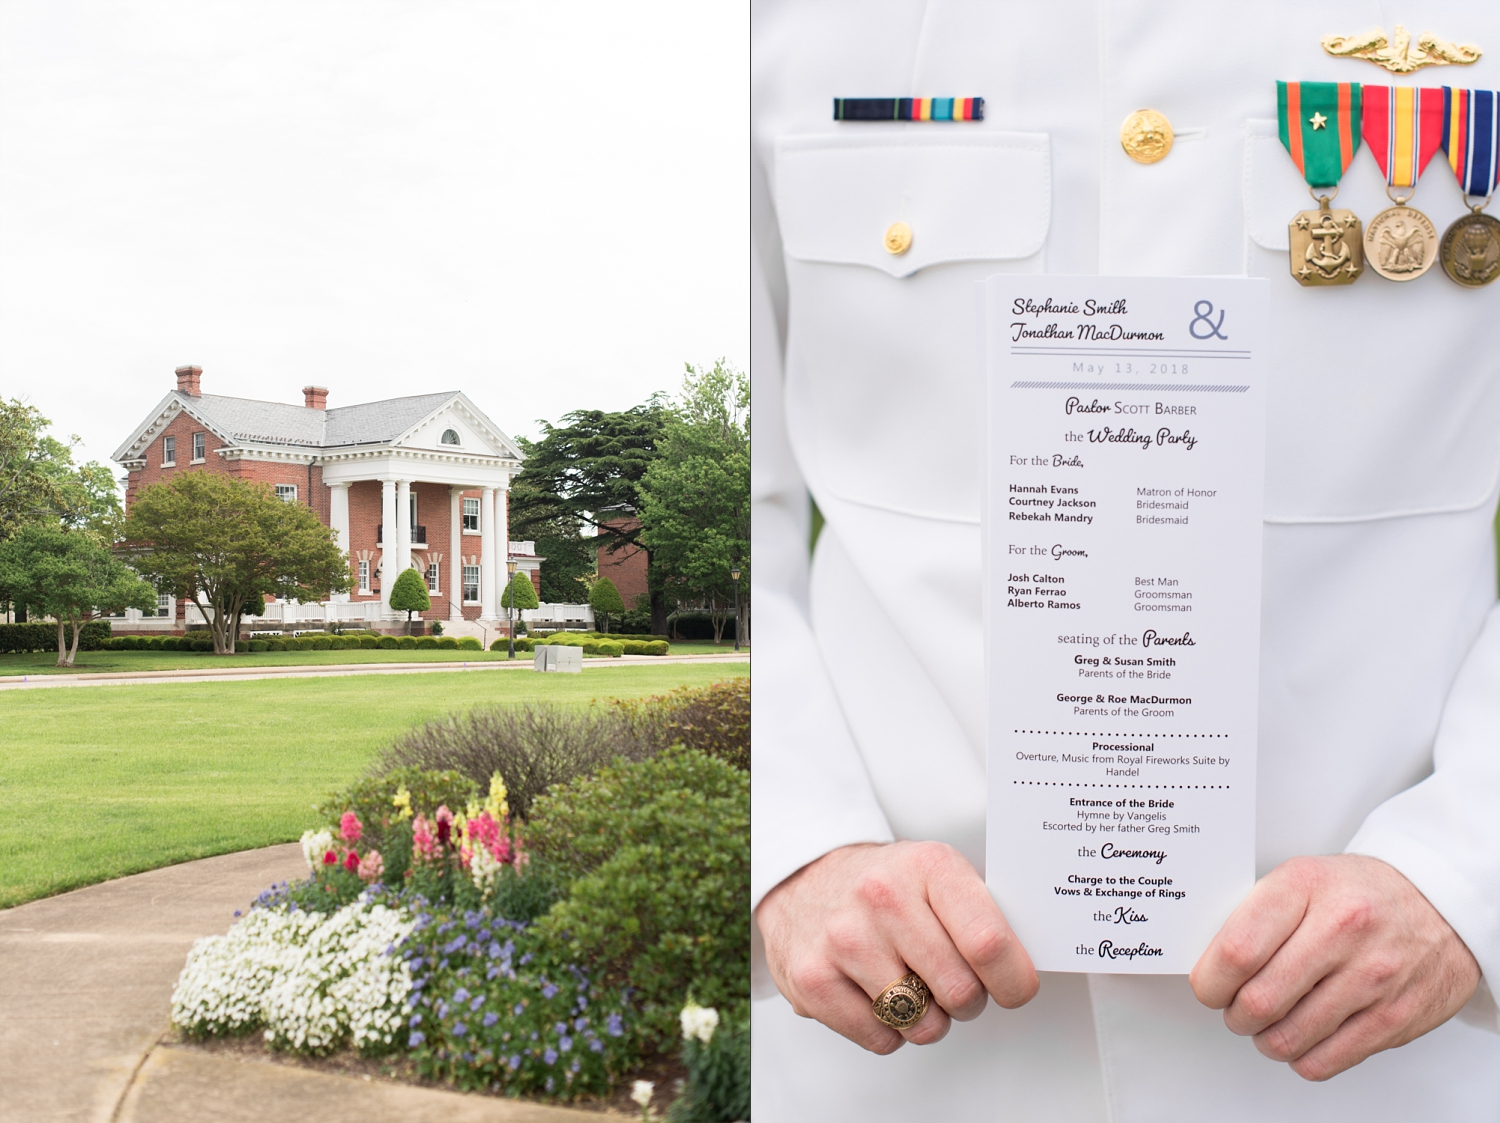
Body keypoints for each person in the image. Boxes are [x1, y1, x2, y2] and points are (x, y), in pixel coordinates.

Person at [749, 3, 1500, 1119]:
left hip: (1379, 1057)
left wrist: (1470, 874)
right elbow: (736, 489)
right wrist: (792, 842)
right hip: (904, 1045)